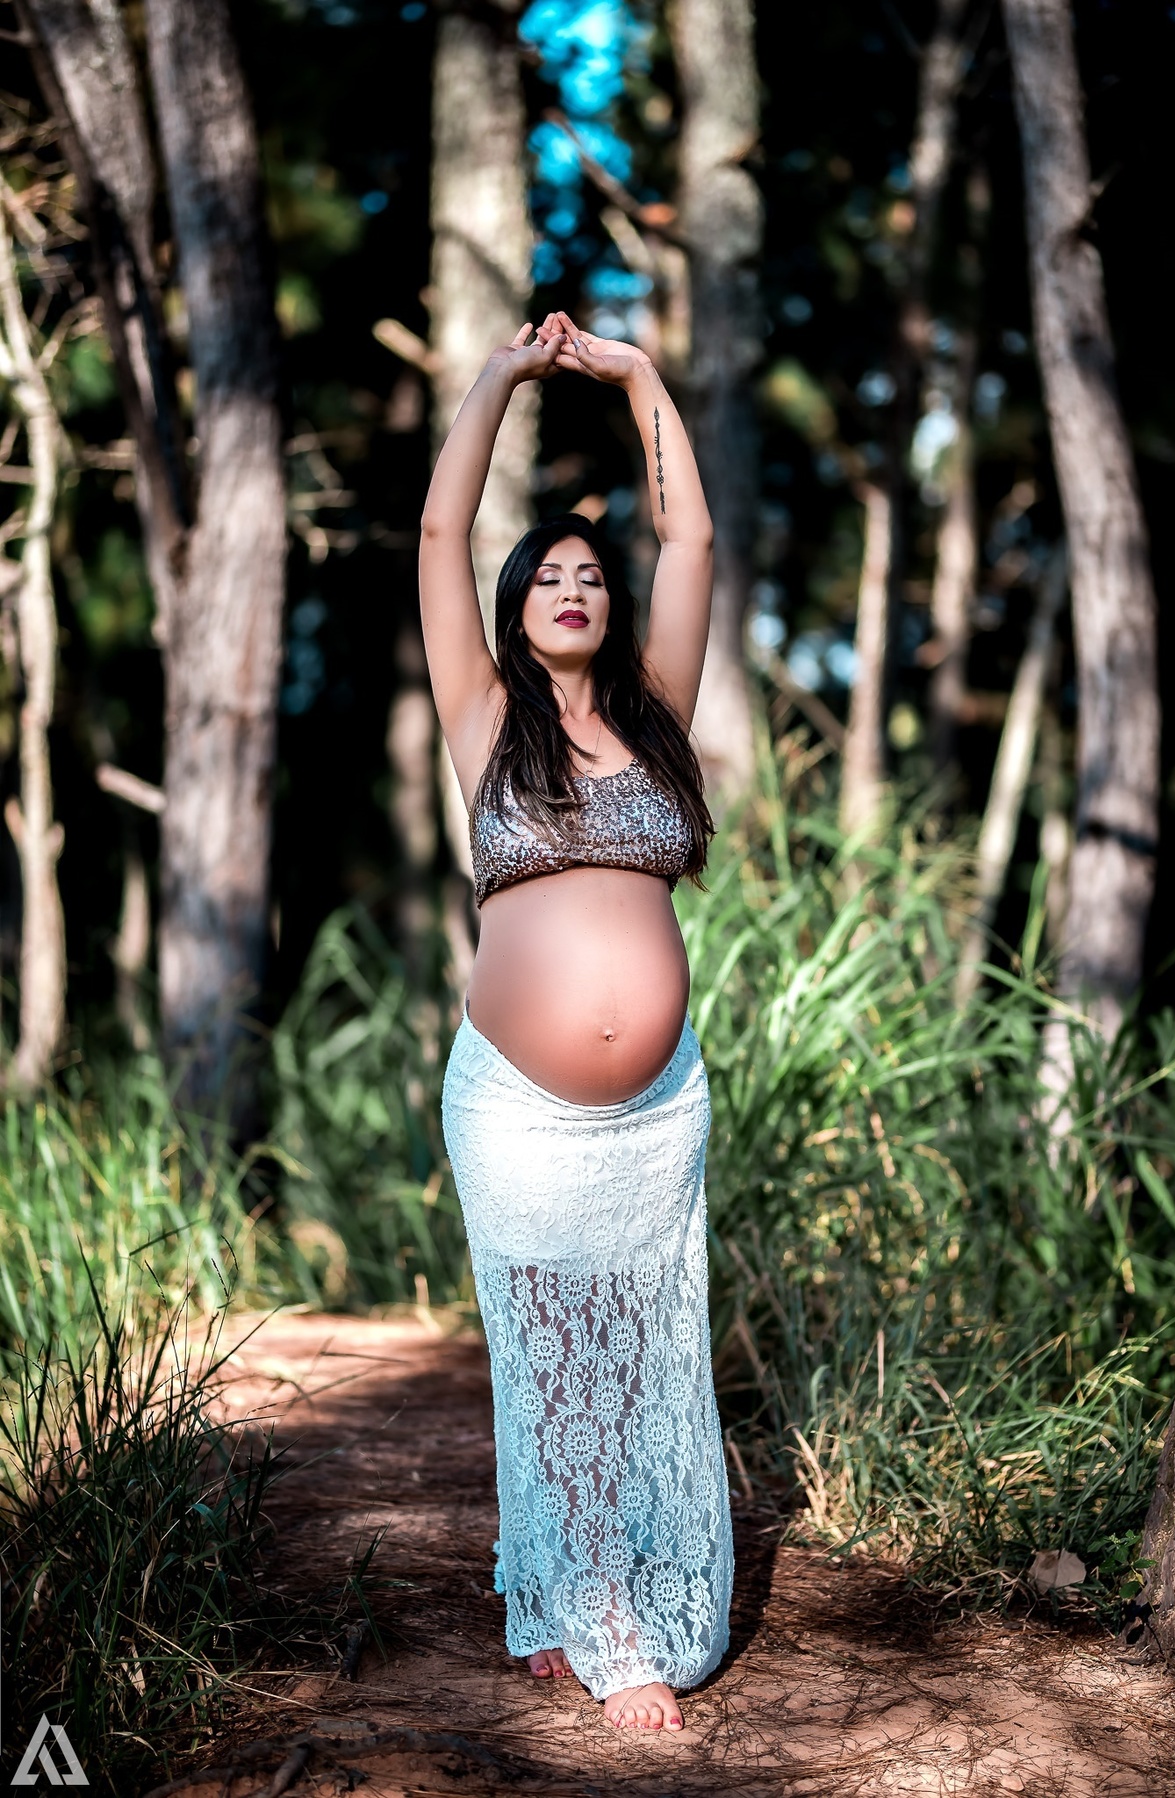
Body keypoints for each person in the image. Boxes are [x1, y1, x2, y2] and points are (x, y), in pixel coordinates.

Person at [420, 310, 732, 1734]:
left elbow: (701, 547)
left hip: (659, 1108)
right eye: (546, 571)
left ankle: (567, 1591)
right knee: (554, 1359)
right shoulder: (486, 719)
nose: (571, 584)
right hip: (518, 1106)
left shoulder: (659, 712)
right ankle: (611, 1629)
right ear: (514, 603)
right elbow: (436, 537)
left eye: (590, 573)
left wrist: (636, 376)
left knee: (648, 1354)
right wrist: (499, 376)